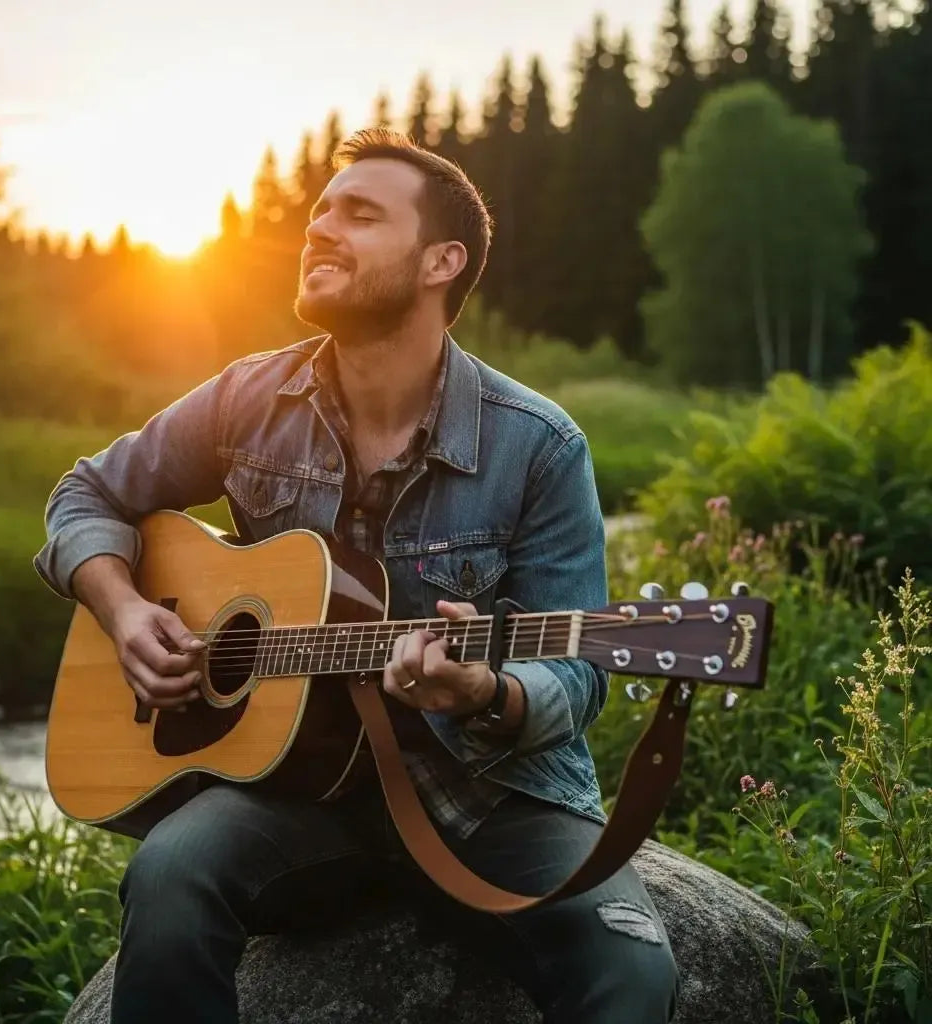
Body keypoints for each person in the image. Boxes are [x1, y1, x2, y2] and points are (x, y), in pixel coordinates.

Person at [34, 128, 679, 1023]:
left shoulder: (539, 445)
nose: (320, 231)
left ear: (440, 262)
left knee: (632, 973)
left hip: (490, 800)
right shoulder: (246, 399)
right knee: (172, 875)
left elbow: (580, 667)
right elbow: (87, 493)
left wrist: (488, 691)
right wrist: (126, 608)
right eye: (320, 213)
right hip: (297, 795)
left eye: (361, 215)